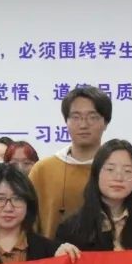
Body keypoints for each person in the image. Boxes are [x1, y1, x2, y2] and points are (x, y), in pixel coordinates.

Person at [28, 86, 111, 239]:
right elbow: (28, 227)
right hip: (52, 253)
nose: (83, 125)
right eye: (76, 117)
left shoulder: (115, 170)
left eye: (92, 117)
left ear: (105, 122)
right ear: (66, 121)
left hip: (105, 254)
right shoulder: (43, 170)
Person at [55, 139, 132, 251]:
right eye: (110, 169)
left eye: (127, 171)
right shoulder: (71, 229)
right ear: (96, 173)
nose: (119, 178)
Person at [0, 164, 80, 264]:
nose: (8, 208)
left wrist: (66, 259)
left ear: (28, 203)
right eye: (0, 199)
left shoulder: (51, 252)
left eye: (17, 199)